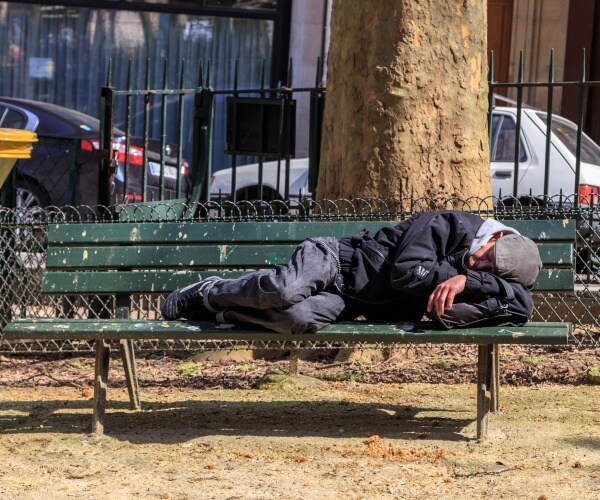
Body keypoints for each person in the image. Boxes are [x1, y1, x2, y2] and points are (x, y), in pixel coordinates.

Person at [161, 210, 542, 334]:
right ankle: (211, 291)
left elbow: (522, 308)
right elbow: (407, 274)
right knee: (286, 289)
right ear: (495, 237)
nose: (481, 264)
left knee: (296, 318)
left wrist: (473, 281)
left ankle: (225, 312)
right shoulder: (445, 224)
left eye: (493, 272)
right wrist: (460, 277)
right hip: (334, 258)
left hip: (351, 299)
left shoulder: (477, 273)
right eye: (489, 257)